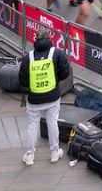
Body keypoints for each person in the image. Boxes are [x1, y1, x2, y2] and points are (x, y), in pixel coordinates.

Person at [17, 29, 70, 166]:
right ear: (49, 39)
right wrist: (56, 80)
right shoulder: (56, 53)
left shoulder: (29, 57)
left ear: (36, 40)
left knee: (32, 125)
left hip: (34, 99)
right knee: (52, 123)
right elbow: (65, 72)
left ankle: (30, 155)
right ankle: (54, 152)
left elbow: (22, 81)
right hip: (52, 95)